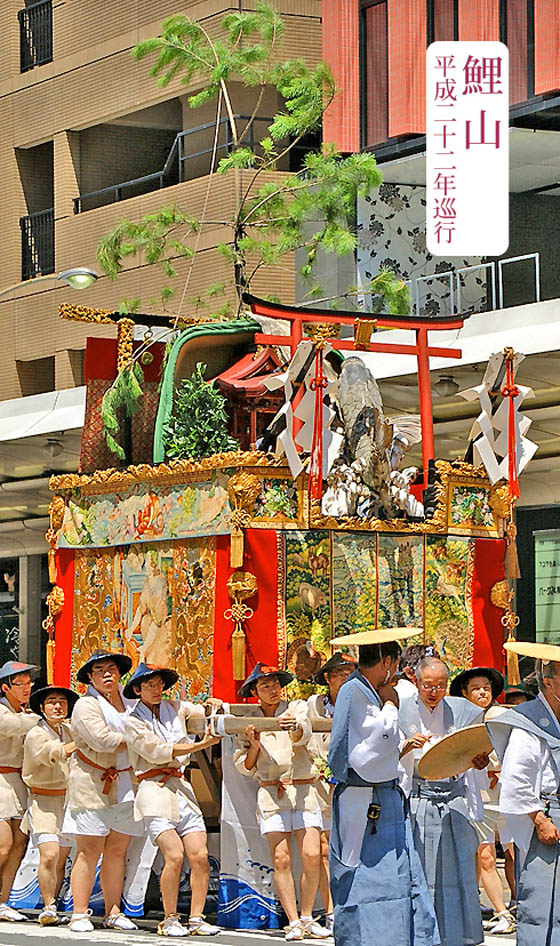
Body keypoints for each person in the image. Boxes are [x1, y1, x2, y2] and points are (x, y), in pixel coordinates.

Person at [327, 630, 439, 946]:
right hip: (362, 799)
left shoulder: (364, 689)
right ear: (388, 661)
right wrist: (391, 706)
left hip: (379, 794)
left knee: (397, 877)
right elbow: (368, 750)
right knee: (363, 878)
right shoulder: (356, 692)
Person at [123, 663, 222, 937]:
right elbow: (156, 752)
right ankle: (169, 918)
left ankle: (197, 917)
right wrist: (201, 745)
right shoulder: (132, 720)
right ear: (137, 689)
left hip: (181, 787)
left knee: (200, 856)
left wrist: (214, 703)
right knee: (174, 855)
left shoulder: (175, 707)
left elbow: (204, 711)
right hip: (153, 789)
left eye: (158, 684)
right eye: (149, 685)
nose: (156, 690)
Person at [234, 662, 329, 942]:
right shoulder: (250, 721)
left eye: (275, 684)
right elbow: (246, 766)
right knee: (281, 858)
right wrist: (254, 744)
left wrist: (295, 729)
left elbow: (304, 734)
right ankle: (293, 920)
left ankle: (309, 915)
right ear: (255, 691)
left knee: (312, 854)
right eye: (265, 685)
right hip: (271, 792)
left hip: (302, 789)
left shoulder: (296, 708)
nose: (272, 689)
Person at [399, 656, 486, 946]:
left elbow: (472, 755)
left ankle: (459, 934)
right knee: (422, 871)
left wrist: (479, 760)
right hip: (420, 797)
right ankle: (422, 934)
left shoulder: (463, 711)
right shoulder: (400, 711)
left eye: (440, 685)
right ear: (416, 682)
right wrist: (406, 746)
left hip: (453, 798)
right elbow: (386, 759)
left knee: (460, 866)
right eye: (427, 685)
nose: (434, 691)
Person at [487, 646, 560, 946]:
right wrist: (538, 819)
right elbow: (516, 780)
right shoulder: (528, 721)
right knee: (544, 903)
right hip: (546, 816)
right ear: (549, 681)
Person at [67, 650, 142, 933]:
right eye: (100, 670)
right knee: (89, 850)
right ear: (90, 677)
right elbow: (102, 740)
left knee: (117, 850)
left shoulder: (131, 702)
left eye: (112, 669)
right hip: (93, 783)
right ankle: (78, 912)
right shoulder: (86, 705)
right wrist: (142, 739)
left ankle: (113, 910)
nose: (108, 674)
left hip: (125, 782)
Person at [450, 666, 515, 936]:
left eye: (486, 687)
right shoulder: (460, 720)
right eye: (476, 688)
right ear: (465, 692)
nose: (482, 692)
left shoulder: (503, 716)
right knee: (485, 855)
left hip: (508, 794)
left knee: (515, 852)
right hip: (480, 796)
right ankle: (500, 911)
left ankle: (519, 902)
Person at [307, 652, 356, 934]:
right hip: (320, 785)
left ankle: (354, 904)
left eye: (350, 673)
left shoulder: (361, 703)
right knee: (326, 849)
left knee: (354, 848)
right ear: (327, 678)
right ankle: (331, 909)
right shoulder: (313, 706)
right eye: (339, 674)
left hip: (354, 783)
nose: (346, 679)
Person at [22, 684, 78, 925]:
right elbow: (53, 753)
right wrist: (84, 741)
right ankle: (47, 905)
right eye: (52, 701)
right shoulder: (36, 733)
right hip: (43, 801)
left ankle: (54, 902)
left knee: (62, 857)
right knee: (49, 855)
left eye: (62, 702)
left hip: (69, 800)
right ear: (42, 708)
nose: (57, 706)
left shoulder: (70, 729)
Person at [0, 660, 39, 922]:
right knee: (2, 845)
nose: (26, 689)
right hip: (0, 778)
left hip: (19, 782)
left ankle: (2, 900)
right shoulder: (6, 713)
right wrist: (41, 718)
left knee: (18, 845)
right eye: (20, 684)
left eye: (29, 683)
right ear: (5, 687)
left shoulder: (27, 713)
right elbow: (13, 727)